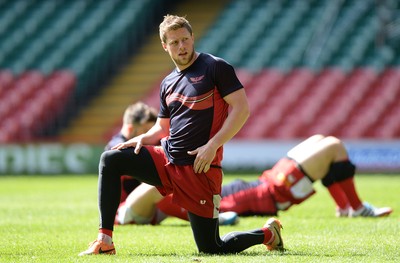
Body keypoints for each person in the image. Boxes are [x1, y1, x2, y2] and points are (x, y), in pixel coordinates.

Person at [79, 15, 283, 256]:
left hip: (200, 167)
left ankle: (268, 234)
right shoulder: (168, 82)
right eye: (174, 43)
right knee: (111, 159)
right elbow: (162, 128)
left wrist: (212, 145)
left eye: (185, 39)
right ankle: (104, 241)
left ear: (193, 37)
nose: (182, 46)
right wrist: (144, 138)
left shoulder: (215, 67)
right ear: (165, 46)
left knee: (211, 248)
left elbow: (242, 109)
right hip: (167, 159)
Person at [117, 134, 392, 224]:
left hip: (265, 182)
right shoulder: (173, 197)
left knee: (322, 140)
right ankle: (355, 208)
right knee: (333, 145)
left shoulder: (176, 191)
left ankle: (346, 207)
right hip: (271, 193)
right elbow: (132, 211)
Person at [108, 101, 238, 225]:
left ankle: (209, 215)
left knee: (171, 181)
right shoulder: (115, 149)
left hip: (152, 209)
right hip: (123, 212)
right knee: (160, 182)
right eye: (145, 131)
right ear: (131, 128)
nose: (149, 138)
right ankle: (213, 217)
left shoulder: (139, 145)